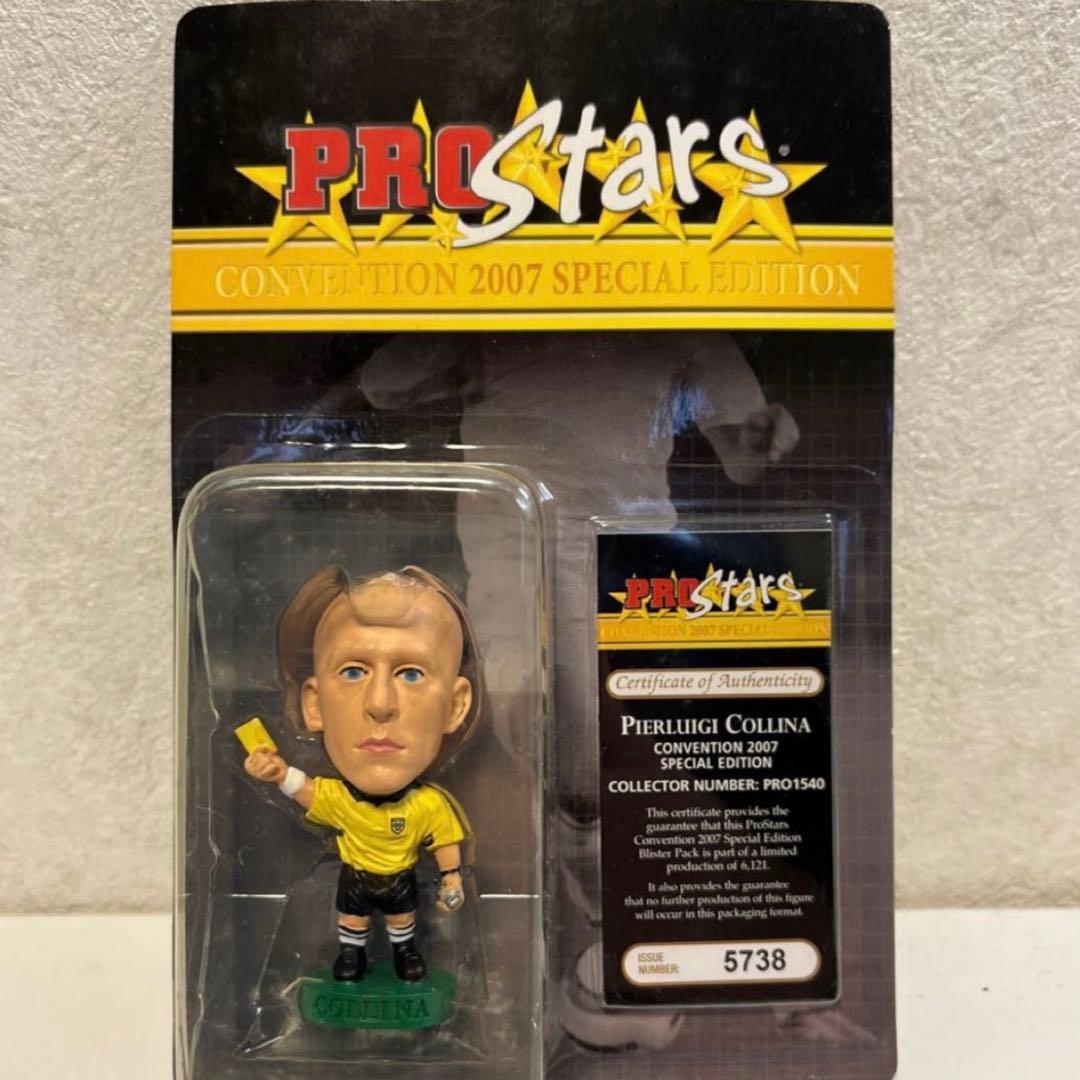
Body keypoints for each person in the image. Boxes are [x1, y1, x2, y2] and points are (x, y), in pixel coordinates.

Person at [243, 565, 481, 983]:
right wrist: (278, 772)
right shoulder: (340, 799)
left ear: (455, 705)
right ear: (313, 704)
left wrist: (451, 879)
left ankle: (405, 952)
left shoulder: (428, 804)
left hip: (400, 879)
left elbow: (445, 841)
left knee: (402, 921)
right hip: (355, 877)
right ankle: (351, 957)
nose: (380, 704)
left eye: (411, 673)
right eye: (353, 672)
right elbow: (306, 791)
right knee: (352, 920)